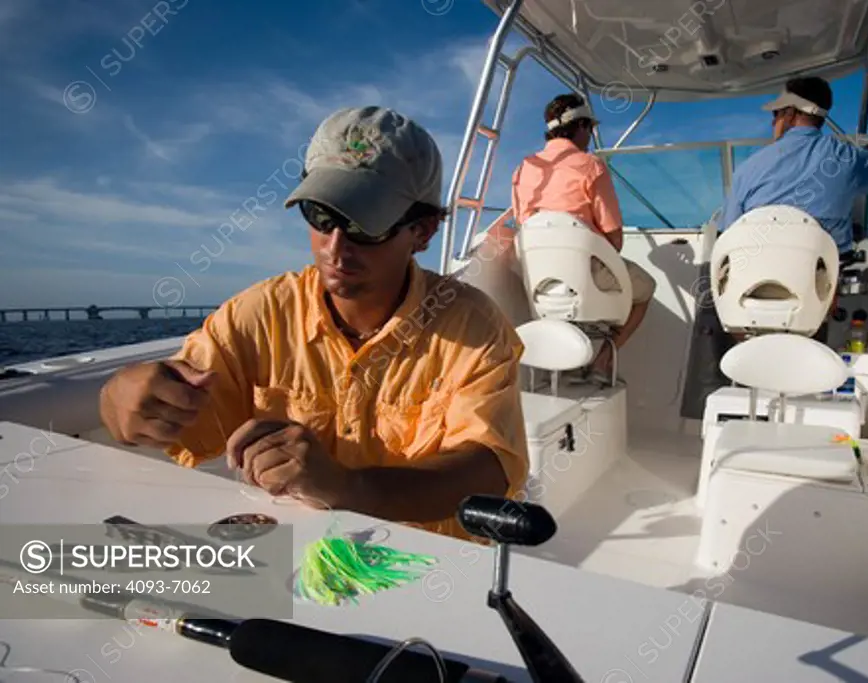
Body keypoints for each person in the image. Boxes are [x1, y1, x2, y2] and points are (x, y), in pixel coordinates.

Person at [99, 106, 530, 541]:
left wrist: (348, 487)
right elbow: (168, 416)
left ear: (423, 231)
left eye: (366, 224)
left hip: (424, 564)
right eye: (321, 215)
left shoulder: (474, 327)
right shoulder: (258, 316)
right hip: (297, 564)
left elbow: (487, 470)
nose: (335, 248)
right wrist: (120, 399)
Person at [511, 93, 657, 382]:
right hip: (584, 280)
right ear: (579, 127)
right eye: (590, 128)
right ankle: (602, 363)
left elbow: (525, 225)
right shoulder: (591, 166)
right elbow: (615, 239)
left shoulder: (523, 169)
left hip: (539, 284)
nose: (590, 136)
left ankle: (560, 367)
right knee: (646, 288)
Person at [722, 77, 868, 266]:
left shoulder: (747, 169)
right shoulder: (847, 157)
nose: (773, 122)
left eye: (776, 114)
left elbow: (728, 234)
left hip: (755, 278)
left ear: (790, 113)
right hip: (821, 285)